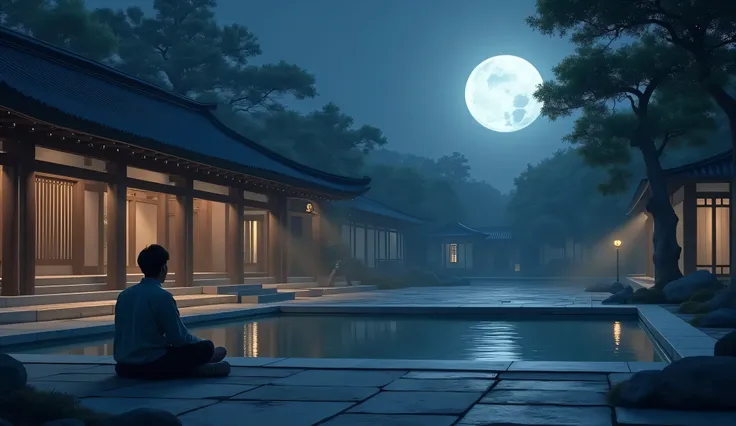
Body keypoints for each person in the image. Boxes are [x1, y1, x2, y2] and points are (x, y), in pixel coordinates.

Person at [114, 244, 230, 380]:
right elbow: (178, 338)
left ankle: (193, 367)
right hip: (152, 363)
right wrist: (201, 342)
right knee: (207, 347)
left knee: (211, 351)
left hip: (124, 366)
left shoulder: (124, 295)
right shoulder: (162, 296)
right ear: (164, 268)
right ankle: (197, 368)